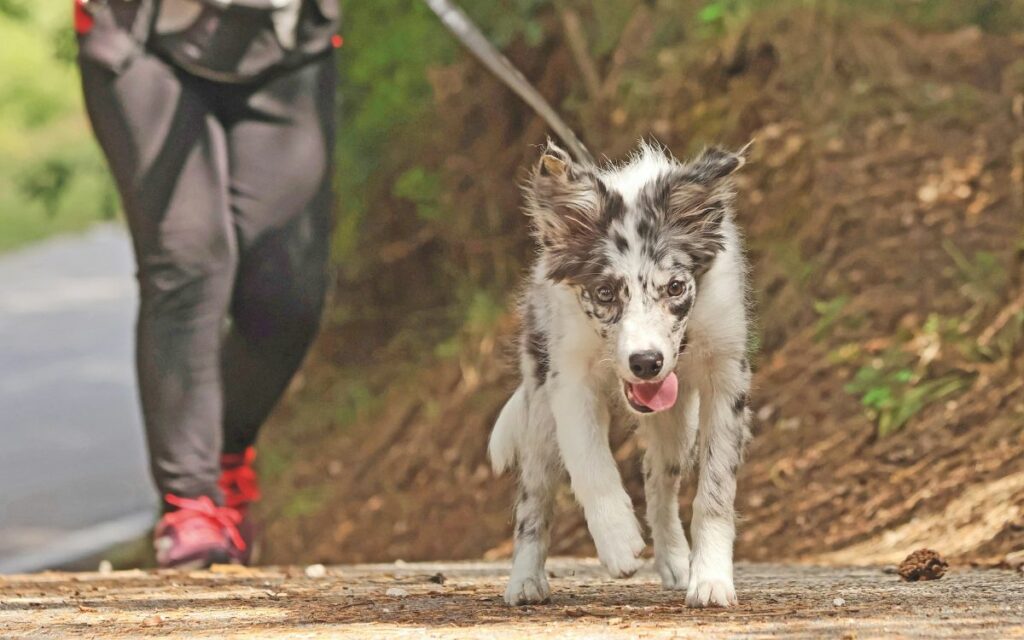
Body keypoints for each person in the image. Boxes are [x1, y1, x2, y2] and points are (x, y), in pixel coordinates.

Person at [74, 0, 340, 567]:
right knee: (188, 259)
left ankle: (223, 451)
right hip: (141, 45)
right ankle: (191, 502)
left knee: (287, 295)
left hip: (285, 48)